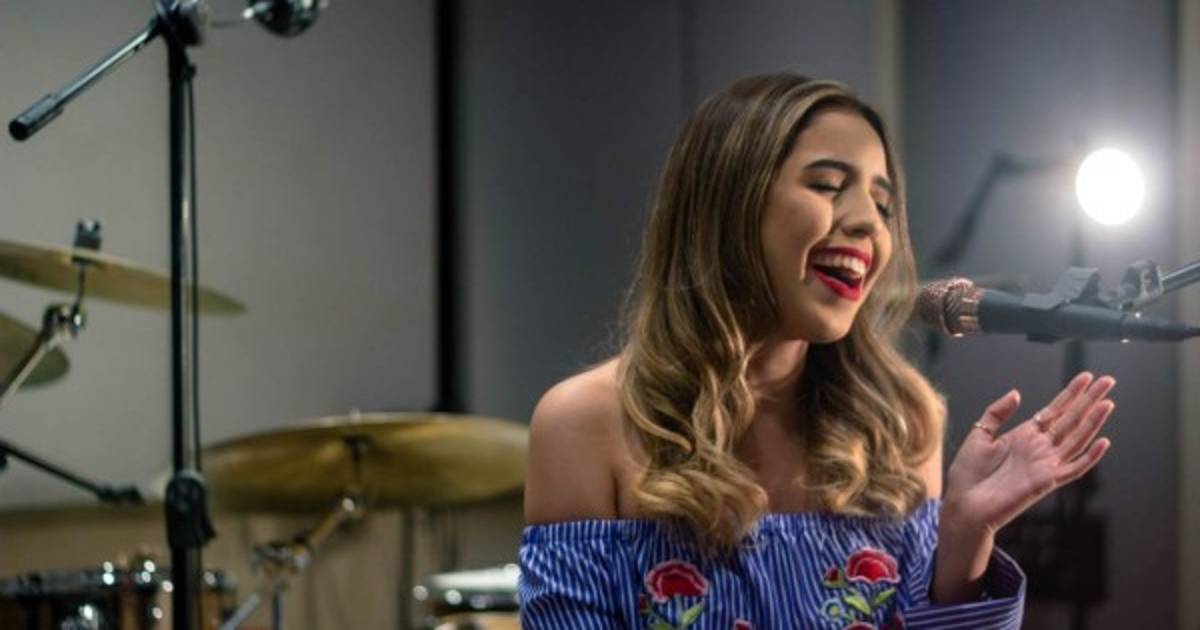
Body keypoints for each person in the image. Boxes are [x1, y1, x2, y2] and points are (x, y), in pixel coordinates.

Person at [518, 73, 1115, 629]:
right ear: (728, 205)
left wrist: (965, 535)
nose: (868, 225)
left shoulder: (902, 420)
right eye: (828, 186)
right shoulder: (584, 424)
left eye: (883, 206)